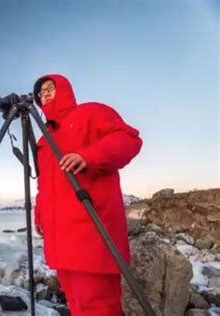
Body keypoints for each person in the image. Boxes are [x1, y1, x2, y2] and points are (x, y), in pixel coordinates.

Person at [33, 74, 142, 316]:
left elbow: (129, 140)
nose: (46, 94)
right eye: (41, 92)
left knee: (99, 307)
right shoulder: (44, 139)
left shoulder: (90, 113)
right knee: (76, 305)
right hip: (60, 237)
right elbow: (44, 184)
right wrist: (39, 213)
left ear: (65, 89)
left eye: (51, 88)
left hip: (91, 231)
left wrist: (89, 156)